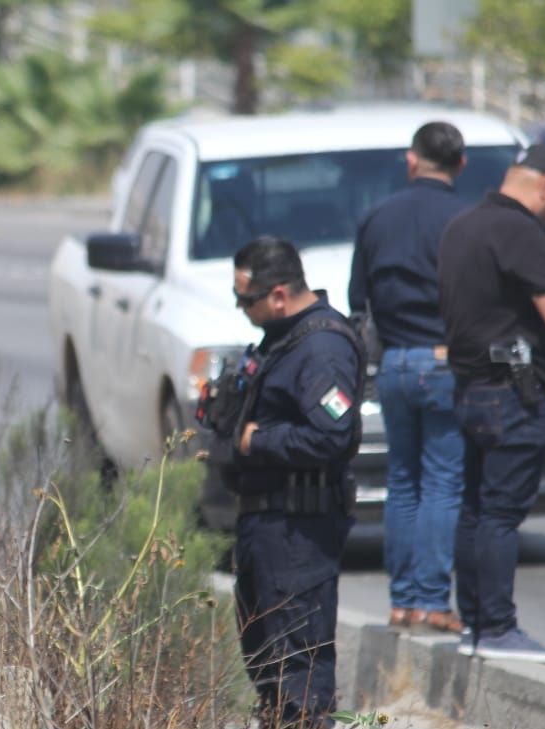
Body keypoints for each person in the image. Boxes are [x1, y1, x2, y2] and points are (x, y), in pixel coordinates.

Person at [438, 145, 545, 663]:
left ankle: (474, 626)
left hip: (470, 388)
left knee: (475, 510)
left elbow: (496, 298)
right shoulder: (524, 231)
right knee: (501, 515)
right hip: (513, 393)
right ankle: (498, 628)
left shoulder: (462, 225)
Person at [200, 236, 363, 728]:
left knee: (300, 674)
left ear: (276, 294)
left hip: (298, 531)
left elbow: (331, 437)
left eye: (244, 299)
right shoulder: (283, 337)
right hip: (265, 526)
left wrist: (257, 439)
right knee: (266, 664)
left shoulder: (322, 347)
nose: (239, 308)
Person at [349, 121, 470, 635]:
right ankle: (432, 602)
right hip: (445, 362)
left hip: (395, 362)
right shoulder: (467, 219)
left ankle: (401, 602)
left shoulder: (377, 216)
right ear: (460, 164)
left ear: (411, 159)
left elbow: (359, 300)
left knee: (403, 482)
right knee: (443, 482)